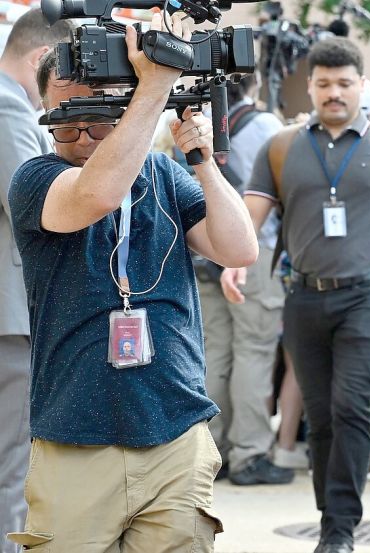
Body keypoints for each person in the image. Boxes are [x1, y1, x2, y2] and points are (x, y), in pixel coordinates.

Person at [5, 12, 257, 552]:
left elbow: (238, 247)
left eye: (99, 121)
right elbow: (96, 196)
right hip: (75, 437)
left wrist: (204, 162)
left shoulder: (164, 174)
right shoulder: (34, 178)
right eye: (65, 124)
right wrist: (158, 82)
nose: (82, 139)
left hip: (174, 430)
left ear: (124, 109)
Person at [223, 36, 370, 553]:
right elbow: (250, 219)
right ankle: (331, 515)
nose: (334, 93)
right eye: (324, 83)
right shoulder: (281, 146)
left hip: (369, 294)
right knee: (321, 413)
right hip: (303, 296)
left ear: (361, 86)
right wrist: (234, 263)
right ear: (310, 86)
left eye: (344, 83)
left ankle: (340, 529)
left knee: (352, 405)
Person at [0, 10, 74, 553]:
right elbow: (41, 205)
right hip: (10, 318)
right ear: (37, 60)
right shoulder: (7, 106)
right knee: (14, 471)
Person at [198, 75, 293, 485]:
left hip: (202, 248)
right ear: (253, 83)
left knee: (213, 355)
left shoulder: (195, 123)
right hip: (255, 252)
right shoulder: (267, 127)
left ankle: (211, 452)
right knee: (253, 351)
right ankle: (249, 453)